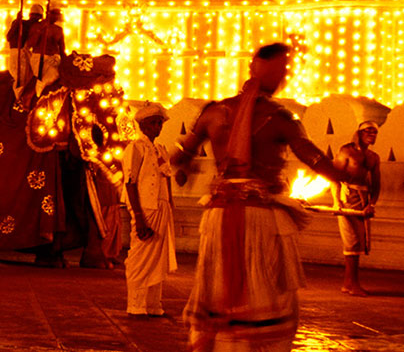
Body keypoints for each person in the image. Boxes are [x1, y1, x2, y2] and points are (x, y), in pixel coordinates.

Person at [173, 43, 351, 351]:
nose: (284, 76)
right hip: (259, 220)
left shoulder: (212, 112)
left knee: (218, 292)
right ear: (262, 68)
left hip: (218, 216)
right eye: (281, 70)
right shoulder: (280, 118)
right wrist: (347, 174)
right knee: (268, 297)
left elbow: (181, 156)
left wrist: (185, 167)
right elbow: (313, 158)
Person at [122, 103, 176, 317]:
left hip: (161, 208)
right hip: (145, 208)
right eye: (153, 123)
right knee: (140, 258)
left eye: (159, 123)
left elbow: (167, 179)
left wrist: (171, 206)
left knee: (157, 261)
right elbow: (130, 183)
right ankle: (136, 304)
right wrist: (138, 217)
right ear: (142, 125)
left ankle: (153, 305)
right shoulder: (135, 148)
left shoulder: (161, 149)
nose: (157, 127)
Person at [331, 120, 381, 296]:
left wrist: (371, 204)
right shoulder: (346, 151)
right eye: (369, 132)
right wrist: (337, 201)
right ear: (359, 133)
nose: (372, 135)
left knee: (358, 243)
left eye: (375, 132)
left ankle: (349, 283)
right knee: (351, 241)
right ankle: (352, 284)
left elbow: (376, 184)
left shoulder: (374, 157)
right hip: (347, 199)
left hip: (363, 201)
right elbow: (334, 177)